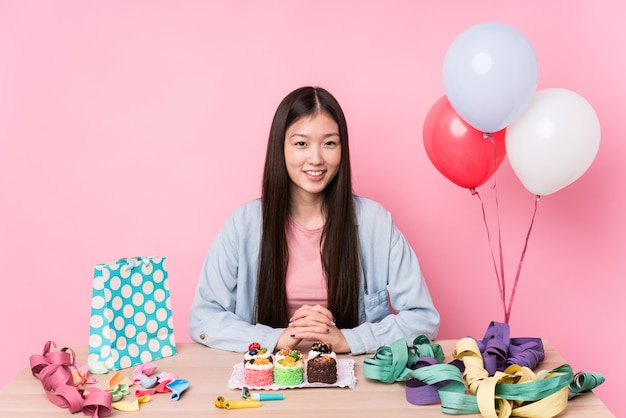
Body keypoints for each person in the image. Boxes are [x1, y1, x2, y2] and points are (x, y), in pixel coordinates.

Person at [189, 86, 439, 355]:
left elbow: (423, 319)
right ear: (280, 148)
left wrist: (349, 340)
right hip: (269, 376)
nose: (316, 158)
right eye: (301, 144)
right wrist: (277, 339)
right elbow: (203, 318)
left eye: (329, 143)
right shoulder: (245, 224)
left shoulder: (375, 223)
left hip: (353, 379)